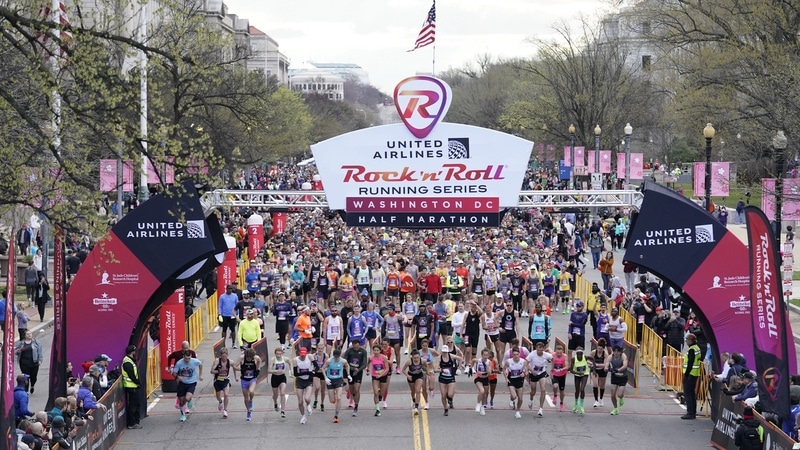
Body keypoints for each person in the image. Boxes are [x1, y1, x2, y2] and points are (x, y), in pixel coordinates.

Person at [172, 350, 203, 422]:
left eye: (189, 358)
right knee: (181, 401)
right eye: (186, 358)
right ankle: (182, 414)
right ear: (183, 357)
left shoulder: (194, 361)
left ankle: (189, 399)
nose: (187, 360)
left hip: (191, 382)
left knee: (187, 397)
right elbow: (174, 372)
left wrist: (200, 375)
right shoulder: (179, 363)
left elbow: (200, 364)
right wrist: (177, 377)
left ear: (191, 357)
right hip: (182, 383)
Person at [322, 348, 351, 423]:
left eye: (337, 357)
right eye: (335, 357)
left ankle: (336, 415)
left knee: (339, 397)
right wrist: (325, 378)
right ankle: (334, 398)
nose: (336, 358)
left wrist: (348, 374)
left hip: (338, 380)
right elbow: (322, 368)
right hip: (330, 380)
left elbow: (347, 365)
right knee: (332, 400)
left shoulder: (343, 361)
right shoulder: (329, 361)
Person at [234, 347, 262, 421]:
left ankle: (251, 401)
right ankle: (248, 411)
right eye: (248, 357)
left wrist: (258, 369)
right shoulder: (242, 358)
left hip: (252, 378)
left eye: (250, 358)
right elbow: (234, 366)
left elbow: (260, 361)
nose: (249, 359)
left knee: (251, 391)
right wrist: (241, 369)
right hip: (244, 379)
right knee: (246, 397)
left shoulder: (256, 358)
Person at [526, 341, 552, 416]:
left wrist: (552, 370)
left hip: (542, 373)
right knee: (533, 391)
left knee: (543, 389)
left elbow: (553, 358)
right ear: (536, 349)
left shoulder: (546, 355)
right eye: (538, 350)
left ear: (544, 349)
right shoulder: (532, 354)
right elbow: (526, 363)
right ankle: (531, 399)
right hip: (533, 374)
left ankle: (541, 408)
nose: (539, 352)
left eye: (541, 350)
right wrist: (531, 371)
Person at [343, 339, 369, 415]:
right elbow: (345, 362)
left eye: (357, 347)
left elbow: (364, 363)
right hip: (350, 371)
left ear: (359, 345)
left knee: (357, 389)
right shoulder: (349, 351)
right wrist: (352, 369)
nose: (356, 348)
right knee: (352, 390)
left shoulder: (363, 351)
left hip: (358, 371)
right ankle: (353, 397)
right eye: (354, 347)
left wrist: (358, 370)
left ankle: (356, 406)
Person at [435, 344, 461, 416]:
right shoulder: (439, 358)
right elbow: (436, 369)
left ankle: (450, 399)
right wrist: (441, 370)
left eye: (446, 352)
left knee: (450, 394)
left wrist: (459, 366)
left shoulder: (451, 356)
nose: (444, 353)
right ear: (441, 352)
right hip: (442, 378)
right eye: (443, 352)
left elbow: (460, 358)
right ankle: (445, 409)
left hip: (451, 378)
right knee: (443, 395)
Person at [210, 347, 236, 419]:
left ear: (227, 355)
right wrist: (218, 371)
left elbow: (235, 367)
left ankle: (225, 410)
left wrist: (236, 376)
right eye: (223, 356)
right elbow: (211, 371)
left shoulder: (230, 362)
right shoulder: (217, 361)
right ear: (220, 356)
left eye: (225, 356)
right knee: (218, 397)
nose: (224, 357)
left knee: (226, 394)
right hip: (217, 380)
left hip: (225, 380)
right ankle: (220, 401)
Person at [504, 346, 529, 419]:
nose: (516, 356)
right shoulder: (509, 361)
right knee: (514, 396)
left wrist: (524, 374)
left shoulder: (523, 361)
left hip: (519, 380)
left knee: (520, 399)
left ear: (519, 354)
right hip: (511, 380)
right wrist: (506, 378)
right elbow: (504, 369)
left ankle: (517, 411)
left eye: (517, 354)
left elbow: (527, 370)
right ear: (512, 355)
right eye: (514, 354)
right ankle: (511, 400)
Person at [681, 333, 701, 420]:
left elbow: (690, 363)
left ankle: (690, 412)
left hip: (690, 374)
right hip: (695, 374)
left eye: (687, 339)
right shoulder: (697, 348)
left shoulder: (692, 349)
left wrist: (686, 374)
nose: (685, 341)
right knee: (692, 393)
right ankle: (693, 412)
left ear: (690, 340)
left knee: (687, 393)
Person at [268, 347, 291, 418]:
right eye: (277, 354)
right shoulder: (273, 360)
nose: (278, 355)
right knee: (275, 395)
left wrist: (290, 370)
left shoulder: (285, 359)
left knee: (282, 393)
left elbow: (290, 363)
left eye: (280, 354)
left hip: (282, 378)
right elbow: (269, 370)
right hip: (275, 378)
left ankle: (283, 410)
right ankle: (275, 402)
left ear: (282, 354)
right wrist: (275, 371)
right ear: (275, 354)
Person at [368, 344, 390, 416]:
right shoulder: (371, 358)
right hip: (375, 376)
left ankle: (381, 396)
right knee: (375, 392)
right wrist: (368, 370)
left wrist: (381, 374)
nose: (376, 352)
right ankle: (377, 409)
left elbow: (387, 368)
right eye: (374, 350)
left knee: (382, 392)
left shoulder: (383, 358)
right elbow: (368, 364)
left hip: (383, 375)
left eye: (377, 350)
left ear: (380, 351)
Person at [294, 347, 315, 424]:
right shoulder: (296, 360)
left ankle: (308, 405)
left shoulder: (309, 357)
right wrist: (307, 373)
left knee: (307, 398)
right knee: (300, 401)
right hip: (300, 380)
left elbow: (316, 367)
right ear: (299, 353)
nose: (303, 357)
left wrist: (312, 373)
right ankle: (303, 416)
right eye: (301, 355)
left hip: (308, 380)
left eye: (304, 355)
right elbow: (295, 373)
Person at [403, 349, 426, 415]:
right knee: (413, 391)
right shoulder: (409, 362)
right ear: (412, 357)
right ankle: (413, 398)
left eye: (417, 357)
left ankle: (416, 407)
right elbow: (403, 370)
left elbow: (426, 368)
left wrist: (426, 373)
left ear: (419, 357)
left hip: (419, 375)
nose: (416, 359)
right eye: (415, 358)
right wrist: (408, 376)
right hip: (411, 376)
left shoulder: (423, 361)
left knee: (418, 390)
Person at [608, 345, 628, 415]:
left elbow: (625, 365)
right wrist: (608, 369)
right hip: (615, 377)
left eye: (617, 351)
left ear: (620, 352)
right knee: (612, 395)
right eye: (614, 351)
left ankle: (621, 397)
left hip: (623, 377)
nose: (616, 353)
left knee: (619, 394)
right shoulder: (610, 357)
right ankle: (615, 408)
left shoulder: (623, 356)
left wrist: (618, 370)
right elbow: (606, 365)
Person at [590, 337, 610, 408]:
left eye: (601, 349)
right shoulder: (593, 352)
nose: (599, 350)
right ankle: (596, 400)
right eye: (598, 348)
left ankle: (601, 398)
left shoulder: (605, 354)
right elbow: (588, 360)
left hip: (602, 370)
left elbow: (605, 364)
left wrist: (597, 364)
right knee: (595, 384)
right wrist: (592, 364)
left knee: (602, 385)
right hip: (594, 370)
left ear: (603, 349)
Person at [550, 343, 569, 412]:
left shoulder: (565, 356)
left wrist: (561, 369)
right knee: (555, 386)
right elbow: (552, 364)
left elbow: (567, 366)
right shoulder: (553, 355)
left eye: (560, 353)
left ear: (562, 352)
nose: (558, 354)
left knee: (562, 391)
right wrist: (551, 372)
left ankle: (561, 403)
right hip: (555, 374)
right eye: (557, 353)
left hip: (562, 375)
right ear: (555, 351)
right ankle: (555, 395)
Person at [571, 347, 589, 414]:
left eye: (580, 354)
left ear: (582, 353)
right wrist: (577, 373)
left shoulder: (585, 357)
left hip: (585, 374)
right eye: (578, 354)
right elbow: (571, 370)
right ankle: (576, 404)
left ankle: (581, 405)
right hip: (577, 375)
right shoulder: (573, 359)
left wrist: (594, 368)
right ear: (576, 353)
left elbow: (592, 359)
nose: (579, 355)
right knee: (577, 390)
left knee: (582, 389)